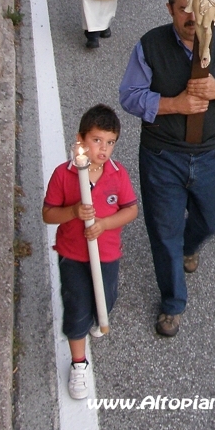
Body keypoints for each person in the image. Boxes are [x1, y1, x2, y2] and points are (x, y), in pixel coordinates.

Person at [119, 0, 215, 337]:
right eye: (184, 10)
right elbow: (129, 95)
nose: (193, 18)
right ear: (170, 10)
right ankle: (172, 302)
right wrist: (172, 104)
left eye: (200, 9)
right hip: (162, 154)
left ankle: (189, 245)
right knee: (163, 230)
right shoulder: (150, 44)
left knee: (211, 220)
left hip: (210, 153)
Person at [43, 104, 138, 400]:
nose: (103, 149)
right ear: (80, 140)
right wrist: (72, 211)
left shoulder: (116, 174)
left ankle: (97, 318)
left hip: (107, 253)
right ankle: (78, 363)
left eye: (110, 143)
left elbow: (131, 210)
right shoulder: (63, 174)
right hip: (73, 253)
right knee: (76, 306)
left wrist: (105, 223)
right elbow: (48, 214)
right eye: (96, 140)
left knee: (105, 299)